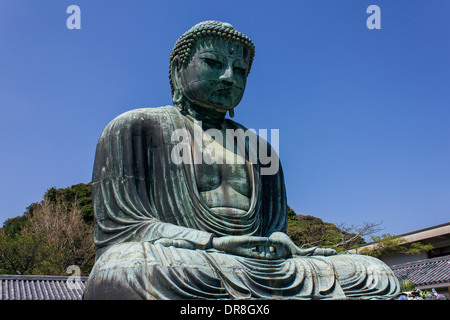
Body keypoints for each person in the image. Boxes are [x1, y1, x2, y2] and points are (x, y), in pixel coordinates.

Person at [83, 21, 400, 300]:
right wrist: (213, 243)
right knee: (125, 267)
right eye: (213, 62)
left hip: (256, 265)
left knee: (372, 271)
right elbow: (123, 231)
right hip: (187, 261)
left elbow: (274, 229)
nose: (228, 76)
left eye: (241, 71)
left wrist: (281, 244)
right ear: (179, 68)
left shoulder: (261, 148)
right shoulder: (135, 128)